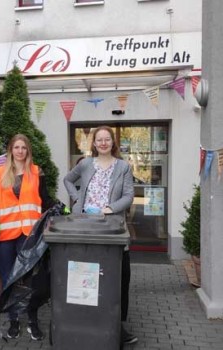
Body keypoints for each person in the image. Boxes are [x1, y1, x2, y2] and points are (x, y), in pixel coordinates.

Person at [63, 125, 138, 345]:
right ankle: (87, 320)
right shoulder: (85, 164)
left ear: (112, 143)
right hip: (85, 227)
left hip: (112, 228)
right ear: (94, 144)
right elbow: (67, 180)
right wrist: (77, 198)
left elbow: (129, 195)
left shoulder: (123, 167)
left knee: (117, 278)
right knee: (87, 275)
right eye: (99, 140)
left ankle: (117, 325)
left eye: (107, 139)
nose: (103, 143)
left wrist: (110, 208)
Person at [0, 134, 55, 341]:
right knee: (9, 278)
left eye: (23, 148)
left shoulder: (36, 171)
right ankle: (14, 319)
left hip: (29, 235)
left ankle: (33, 320)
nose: (20, 151)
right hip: (7, 234)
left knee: (30, 279)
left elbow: (44, 199)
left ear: (28, 151)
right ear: (10, 150)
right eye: (16, 147)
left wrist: (60, 208)